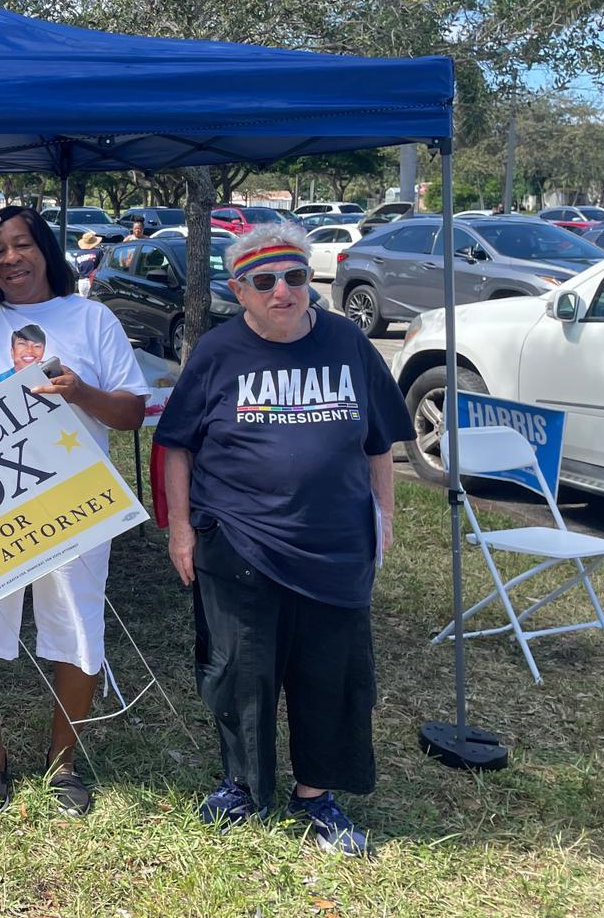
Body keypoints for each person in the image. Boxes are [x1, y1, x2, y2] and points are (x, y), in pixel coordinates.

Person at [153, 222, 412, 857]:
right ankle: (243, 787)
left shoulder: (350, 343)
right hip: (237, 540)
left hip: (334, 543)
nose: (283, 291)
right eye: (265, 281)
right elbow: (177, 446)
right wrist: (182, 531)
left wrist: (383, 514)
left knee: (332, 675)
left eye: (295, 277)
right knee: (240, 671)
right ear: (239, 290)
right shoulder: (216, 352)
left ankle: (317, 795)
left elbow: (380, 442)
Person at [0, 203, 147, 815]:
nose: (10, 259)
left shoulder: (91, 318)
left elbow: (131, 411)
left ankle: (62, 764)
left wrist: (81, 392)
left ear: (45, 249)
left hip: (74, 504)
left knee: (74, 630)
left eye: (22, 245)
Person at [71, 231, 104, 296]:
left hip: (82, 281)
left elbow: (77, 269)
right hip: (93, 281)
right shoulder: (98, 252)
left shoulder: (78, 254)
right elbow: (102, 266)